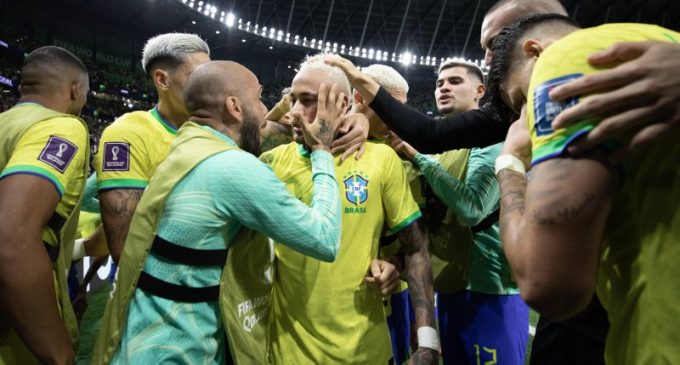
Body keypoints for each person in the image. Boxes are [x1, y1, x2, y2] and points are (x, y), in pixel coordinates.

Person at [92, 60, 346, 364]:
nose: (266, 109)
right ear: (235, 107)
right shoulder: (234, 169)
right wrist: (321, 151)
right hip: (180, 352)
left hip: (142, 338)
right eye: (259, 98)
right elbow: (324, 240)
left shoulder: (186, 145)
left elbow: (260, 130)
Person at [489, 14, 680, 364]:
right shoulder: (666, 43)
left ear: (535, 51)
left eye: (520, 103)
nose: (524, 122)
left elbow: (548, 285)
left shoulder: (562, 60)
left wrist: (510, 164)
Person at [325, 0, 678, 159]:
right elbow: (430, 135)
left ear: (536, 37)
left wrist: (509, 163)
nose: (488, 60)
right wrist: (359, 101)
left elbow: (546, 281)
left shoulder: (640, 51)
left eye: (496, 44)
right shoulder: (508, 108)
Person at [261, 57, 438, 365]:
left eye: (308, 101)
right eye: (292, 101)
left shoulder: (381, 159)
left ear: (343, 103)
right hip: (286, 352)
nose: (294, 114)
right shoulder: (272, 163)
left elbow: (417, 248)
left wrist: (427, 341)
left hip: (366, 350)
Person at [389, 60, 527, 365]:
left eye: (454, 81)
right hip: (450, 287)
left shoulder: (493, 141)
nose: (443, 88)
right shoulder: (441, 145)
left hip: (490, 293)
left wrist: (419, 158)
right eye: (439, 83)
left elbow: (473, 209)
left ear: (480, 91)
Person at [0, 46, 90, 365]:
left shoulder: (6, 124)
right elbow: (11, 235)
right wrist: (58, 351)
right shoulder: (63, 127)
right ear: (75, 89)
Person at [95, 33, 210, 264]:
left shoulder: (215, 132)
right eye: (197, 77)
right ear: (162, 80)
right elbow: (124, 247)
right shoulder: (129, 133)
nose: (208, 86)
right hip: (163, 293)